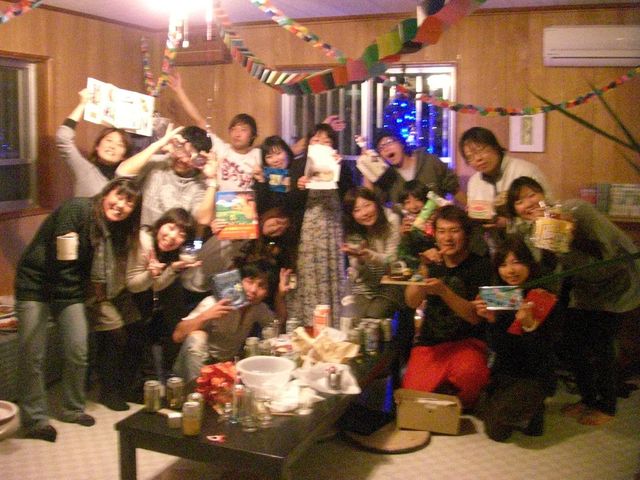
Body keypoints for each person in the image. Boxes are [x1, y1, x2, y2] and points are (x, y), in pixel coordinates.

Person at [506, 176, 640, 425]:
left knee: (602, 346)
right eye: (519, 201)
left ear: (543, 195)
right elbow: (549, 273)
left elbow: (610, 253)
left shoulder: (577, 210)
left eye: (532, 195)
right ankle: (588, 399)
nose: (528, 203)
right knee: (572, 344)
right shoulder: (532, 233)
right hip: (585, 289)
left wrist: (568, 231)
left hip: (618, 284)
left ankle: (607, 407)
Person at [15, 178, 142, 442]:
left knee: (78, 351)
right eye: (118, 196)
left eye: (129, 203)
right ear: (106, 193)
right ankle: (36, 420)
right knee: (32, 354)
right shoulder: (77, 210)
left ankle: (72, 409)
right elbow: (65, 262)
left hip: (69, 289)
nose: (121, 205)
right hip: (36, 283)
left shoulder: (115, 230)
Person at [403, 205, 491, 409]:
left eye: (454, 231)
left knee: (469, 380)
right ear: (435, 235)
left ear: (466, 234)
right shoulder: (431, 263)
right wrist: (424, 267)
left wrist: (444, 291)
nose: (447, 238)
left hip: (467, 342)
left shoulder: (481, 266)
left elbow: (474, 317)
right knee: (414, 399)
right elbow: (411, 301)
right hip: (430, 343)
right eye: (441, 231)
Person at [472, 236, 557, 441]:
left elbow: (544, 352)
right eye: (503, 265)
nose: (510, 270)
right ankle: (529, 413)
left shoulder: (543, 296)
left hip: (534, 375)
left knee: (497, 430)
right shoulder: (502, 296)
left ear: (529, 263)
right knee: (481, 412)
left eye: (516, 262)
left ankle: (533, 408)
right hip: (506, 372)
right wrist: (491, 320)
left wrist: (529, 326)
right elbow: (499, 348)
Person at [172, 260, 290, 382]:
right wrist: (205, 316)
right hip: (196, 367)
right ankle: (196, 389)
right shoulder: (215, 303)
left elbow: (277, 326)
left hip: (228, 367)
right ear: (238, 282)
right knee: (197, 337)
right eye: (250, 281)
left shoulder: (258, 308)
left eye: (262, 286)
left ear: (267, 293)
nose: (253, 290)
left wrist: (280, 296)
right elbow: (177, 335)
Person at [287, 123, 355, 327]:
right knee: (309, 271)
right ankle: (309, 323)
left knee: (334, 269)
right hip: (307, 229)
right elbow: (290, 203)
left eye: (327, 141)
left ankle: (337, 323)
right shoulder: (298, 165)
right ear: (308, 143)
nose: (321, 144)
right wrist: (299, 187)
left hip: (332, 226)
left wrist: (341, 169)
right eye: (316, 140)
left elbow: (350, 196)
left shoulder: (339, 164)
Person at [168, 72, 261, 192]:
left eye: (243, 130)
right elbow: (199, 120)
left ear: (252, 135)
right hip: (217, 201)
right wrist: (179, 91)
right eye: (234, 129)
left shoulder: (258, 154)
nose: (237, 134)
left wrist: (262, 176)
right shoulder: (221, 148)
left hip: (244, 203)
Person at [115, 124, 215, 227]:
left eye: (191, 156)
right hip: (137, 233)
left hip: (169, 236)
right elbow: (122, 173)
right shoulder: (156, 163)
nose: (184, 159)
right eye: (182, 151)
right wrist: (158, 144)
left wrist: (212, 180)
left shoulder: (199, 185)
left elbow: (203, 220)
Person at [461, 127, 553, 230]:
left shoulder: (525, 171)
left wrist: (510, 224)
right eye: (470, 157)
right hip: (488, 238)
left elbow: (549, 210)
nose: (478, 159)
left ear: (495, 147)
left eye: (481, 151)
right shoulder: (474, 182)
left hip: (528, 237)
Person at [56, 88, 133, 196]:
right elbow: (63, 138)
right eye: (109, 140)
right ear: (97, 146)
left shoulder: (126, 178)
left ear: (124, 156)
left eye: (120, 144)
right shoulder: (85, 169)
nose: (112, 146)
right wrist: (82, 104)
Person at [341, 187, 403, 319]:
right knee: (350, 318)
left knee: (374, 315)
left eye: (367, 205)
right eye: (357, 210)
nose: (364, 213)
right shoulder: (352, 228)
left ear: (376, 203)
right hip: (363, 282)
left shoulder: (391, 220)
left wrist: (371, 256)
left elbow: (392, 259)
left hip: (390, 280)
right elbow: (357, 269)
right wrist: (360, 259)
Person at [361, 128, 463, 206]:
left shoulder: (429, 161)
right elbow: (371, 201)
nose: (386, 149)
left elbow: (454, 188)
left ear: (401, 144)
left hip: (437, 224)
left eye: (389, 142)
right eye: (381, 148)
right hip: (407, 227)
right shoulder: (387, 177)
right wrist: (366, 165)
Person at [396, 180, 437, 269]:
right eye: (407, 202)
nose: (414, 206)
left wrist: (433, 228)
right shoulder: (405, 222)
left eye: (418, 200)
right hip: (414, 267)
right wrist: (404, 236)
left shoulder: (436, 218)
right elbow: (403, 254)